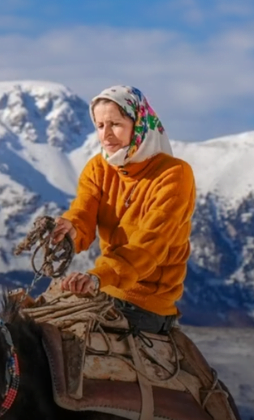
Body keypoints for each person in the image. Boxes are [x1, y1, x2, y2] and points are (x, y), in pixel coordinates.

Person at [51, 85, 196, 335]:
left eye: (115, 124)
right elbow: (83, 212)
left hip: (146, 304)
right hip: (105, 288)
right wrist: (70, 229)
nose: (106, 135)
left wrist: (99, 276)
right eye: (100, 126)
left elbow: (150, 244)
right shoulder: (98, 168)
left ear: (138, 123)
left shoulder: (174, 174)